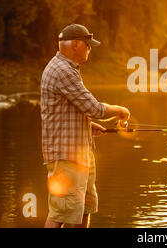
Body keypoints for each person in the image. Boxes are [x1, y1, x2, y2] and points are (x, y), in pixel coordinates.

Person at [40, 24, 130, 228]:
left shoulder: (66, 68)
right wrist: (120, 110)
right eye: (87, 44)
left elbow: (64, 111)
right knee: (61, 212)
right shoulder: (63, 70)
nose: (90, 48)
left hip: (79, 155)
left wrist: (88, 127)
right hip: (66, 156)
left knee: (84, 209)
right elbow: (94, 108)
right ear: (75, 44)